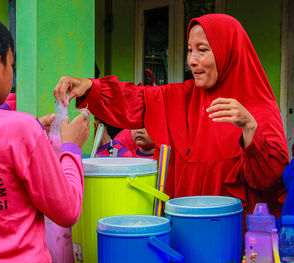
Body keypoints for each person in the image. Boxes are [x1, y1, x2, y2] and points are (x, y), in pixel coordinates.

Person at [54, 14, 289, 218]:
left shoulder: (257, 109)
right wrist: (90, 87)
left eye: (203, 50)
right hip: (183, 233)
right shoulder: (183, 98)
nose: (192, 61)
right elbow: (137, 99)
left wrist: (249, 129)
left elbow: (270, 179)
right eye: (189, 50)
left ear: (229, 51)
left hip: (233, 239)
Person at [0, 10, 90, 262]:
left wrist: (31, 132)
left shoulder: (22, 129)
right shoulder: (21, 131)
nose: (12, 71)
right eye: (11, 64)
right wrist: (71, 148)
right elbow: (67, 211)